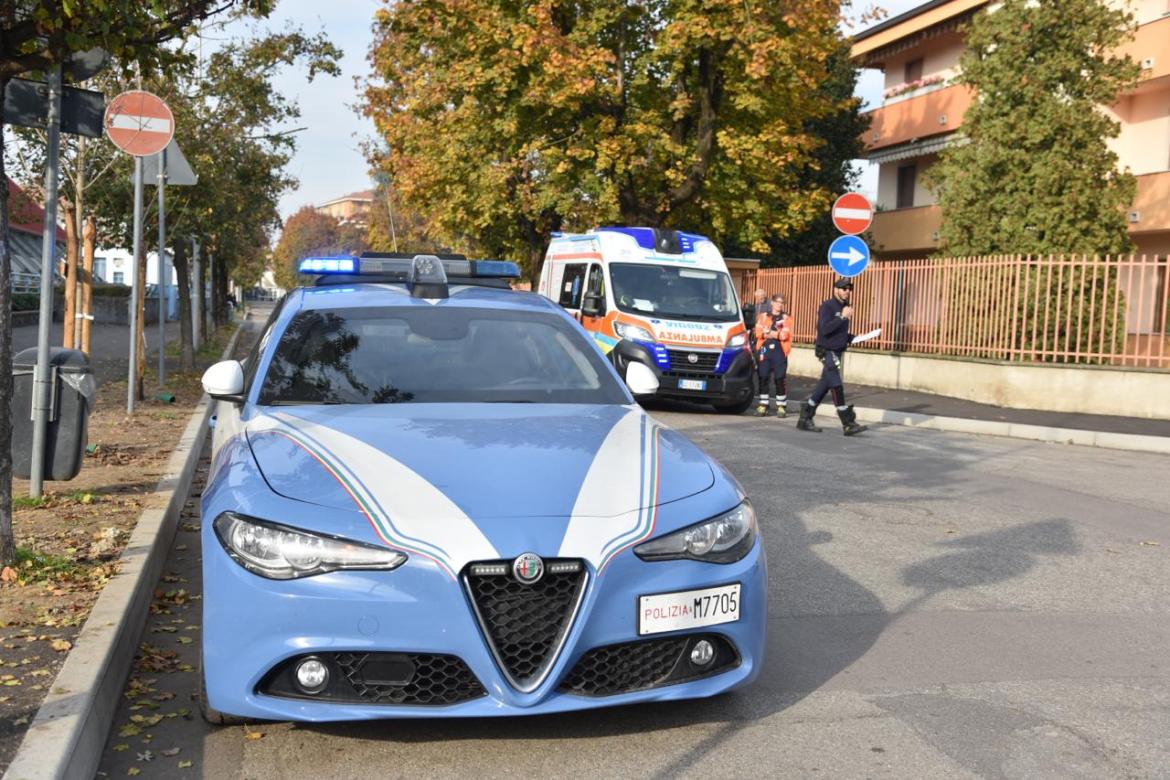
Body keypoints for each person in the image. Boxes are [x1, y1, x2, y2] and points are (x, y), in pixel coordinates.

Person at [796, 278, 866, 436]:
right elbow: (825, 329)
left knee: (823, 386)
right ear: (836, 290)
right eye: (843, 288)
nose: (847, 291)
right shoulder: (827, 306)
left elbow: (839, 333)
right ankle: (847, 423)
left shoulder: (845, 307)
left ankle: (805, 417)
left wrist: (853, 337)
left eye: (849, 288)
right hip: (827, 351)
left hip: (838, 351)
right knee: (836, 384)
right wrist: (842, 317)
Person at [754, 294, 792, 417]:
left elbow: (784, 336)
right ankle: (763, 405)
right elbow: (758, 333)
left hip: (780, 351)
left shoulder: (786, 318)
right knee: (763, 376)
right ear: (772, 302)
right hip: (765, 349)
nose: (779, 304)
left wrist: (769, 332)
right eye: (777, 302)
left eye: (782, 302)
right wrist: (773, 334)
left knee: (779, 378)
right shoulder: (763, 316)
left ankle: (781, 406)